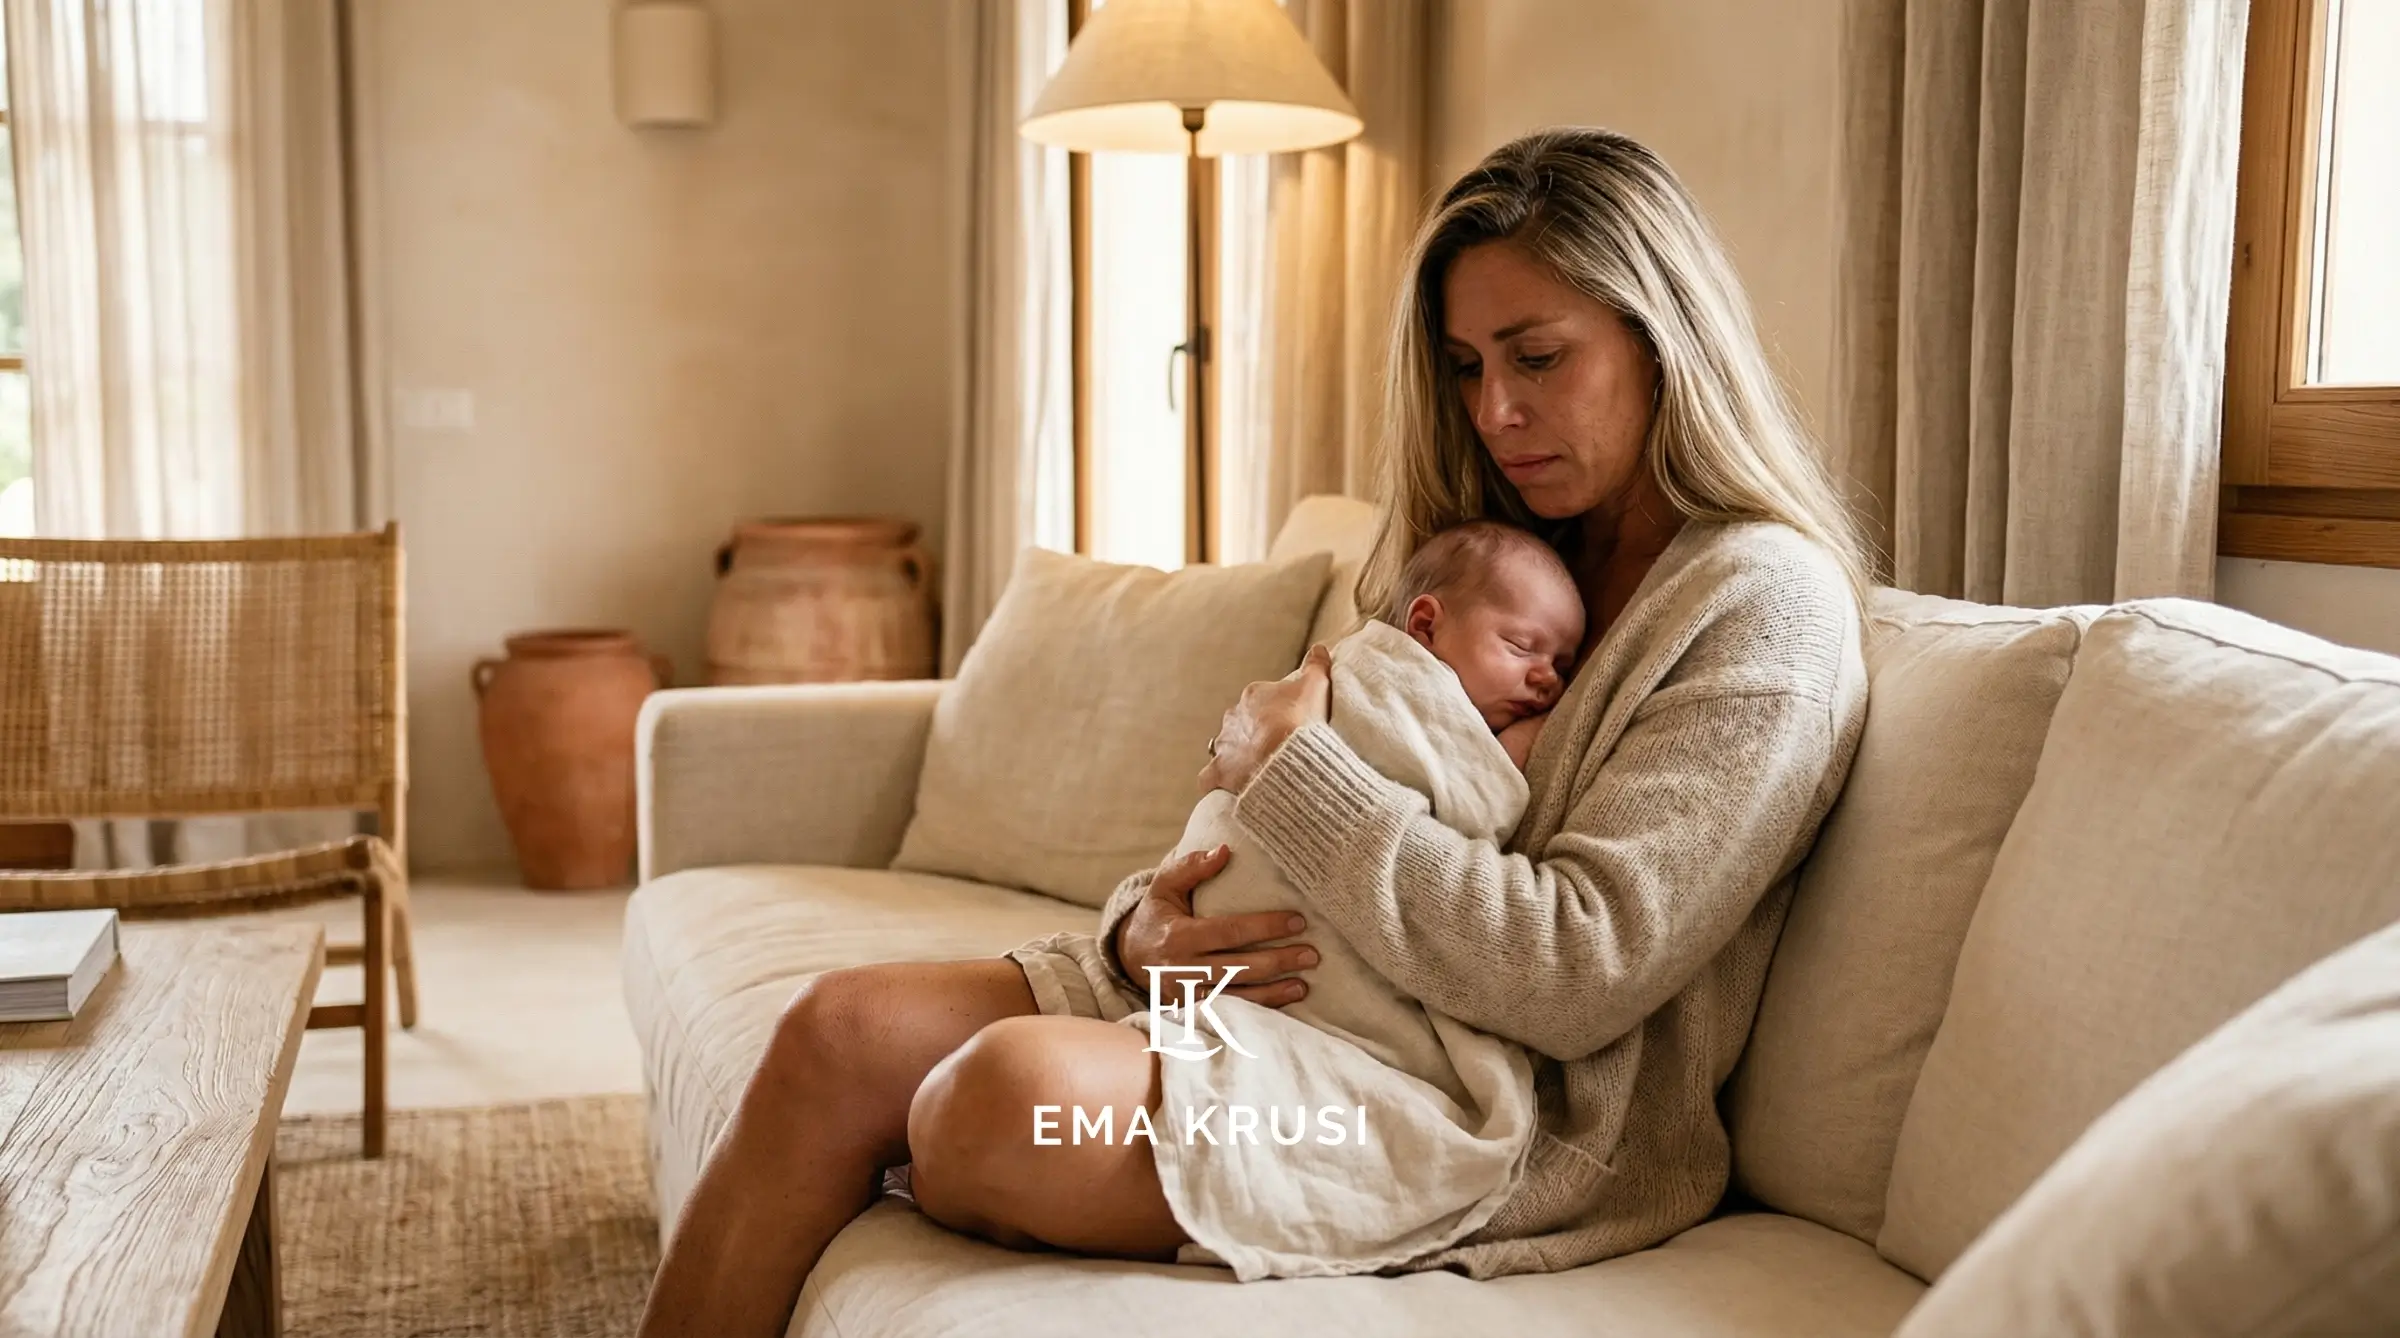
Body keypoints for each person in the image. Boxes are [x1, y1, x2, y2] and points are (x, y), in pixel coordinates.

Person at [636, 126, 1872, 1338]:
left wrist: (1293, 771)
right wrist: (1147, 932)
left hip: (1461, 1107)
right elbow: (1271, 807)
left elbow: (1572, 971)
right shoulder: (1497, 555)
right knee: (836, 1034)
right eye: (1463, 367)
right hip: (1296, 1000)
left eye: (1538, 357)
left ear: (1663, 337)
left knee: (1000, 1110)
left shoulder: (1765, 611)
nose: (1497, 411)